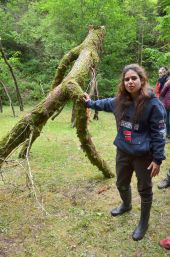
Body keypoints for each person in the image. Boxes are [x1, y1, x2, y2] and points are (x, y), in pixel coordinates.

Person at [83, 64, 166, 241]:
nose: (130, 82)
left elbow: (159, 134)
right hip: (123, 151)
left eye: (134, 78)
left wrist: (157, 159)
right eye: (126, 79)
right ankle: (126, 205)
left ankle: (143, 223)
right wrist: (89, 102)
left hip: (144, 156)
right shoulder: (120, 101)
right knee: (121, 183)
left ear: (142, 80)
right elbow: (104, 103)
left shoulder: (153, 104)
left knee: (144, 189)